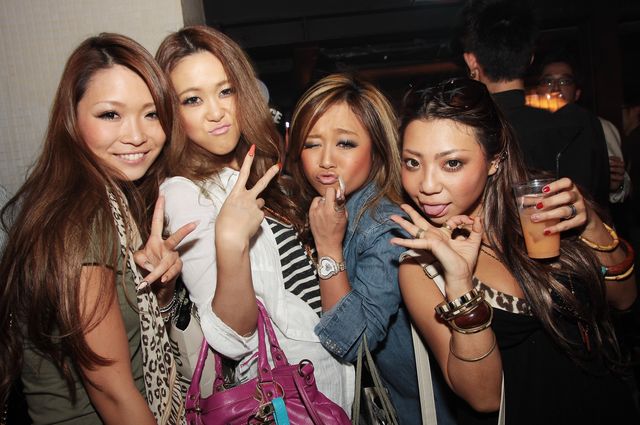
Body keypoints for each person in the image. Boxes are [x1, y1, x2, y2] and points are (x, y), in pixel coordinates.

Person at [391, 77, 639, 424]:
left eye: (452, 163)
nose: (427, 185)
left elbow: (625, 298)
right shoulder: (421, 266)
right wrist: (460, 283)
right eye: (412, 163)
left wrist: (591, 225)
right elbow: (484, 397)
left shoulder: (540, 208)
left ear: (494, 160)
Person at [155, 25, 353, 411]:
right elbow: (233, 336)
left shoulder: (256, 170)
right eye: (192, 100)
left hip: (324, 384)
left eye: (225, 91)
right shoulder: (185, 193)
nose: (216, 112)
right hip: (285, 400)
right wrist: (231, 241)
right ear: (171, 112)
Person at [0, 34, 194, 424]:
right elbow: (112, 391)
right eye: (110, 115)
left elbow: (135, 338)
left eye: (151, 114)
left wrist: (162, 287)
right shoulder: (84, 216)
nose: (136, 135)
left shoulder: (116, 202)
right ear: (72, 119)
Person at [285, 73, 442, 425]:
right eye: (311, 144)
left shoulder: (384, 226)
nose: (326, 160)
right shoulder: (326, 209)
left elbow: (352, 342)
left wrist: (328, 247)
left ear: (377, 149)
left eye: (345, 143)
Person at [454, 0, 610, 209]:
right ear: (530, 58)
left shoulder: (465, 126)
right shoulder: (581, 120)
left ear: (471, 61)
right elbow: (599, 205)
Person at [537, 56, 630, 204]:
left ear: (577, 93)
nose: (555, 88)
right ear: (538, 90)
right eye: (548, 81)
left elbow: (621, 186)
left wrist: (616, 186)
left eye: (564, 81)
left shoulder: (600, 127)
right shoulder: (527, 130)